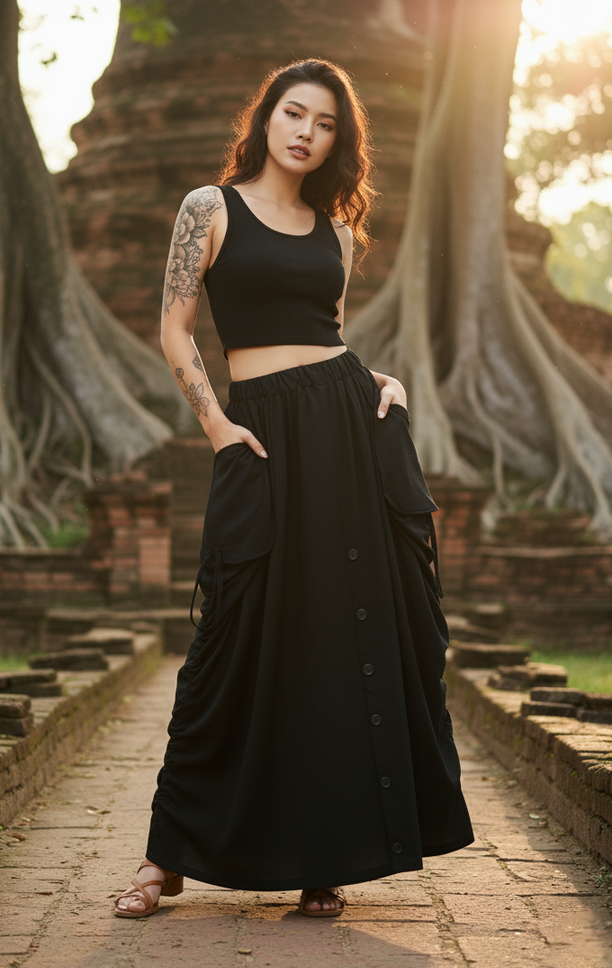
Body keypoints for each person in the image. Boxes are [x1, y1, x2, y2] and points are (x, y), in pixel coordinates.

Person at [114, 58, 473, 920]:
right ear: (266, 117)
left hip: (351, 428)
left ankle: (329, 855)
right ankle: (166, 859)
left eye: (325, 124)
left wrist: (382, 383)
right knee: (228, 640)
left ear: (337, 142)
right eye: (294, 113)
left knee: (346, 636)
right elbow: (174, 328)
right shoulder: (211, 207)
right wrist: (217, 426)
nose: (307, 131)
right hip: (263, 436)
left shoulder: (338, 234)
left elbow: (332, 336)